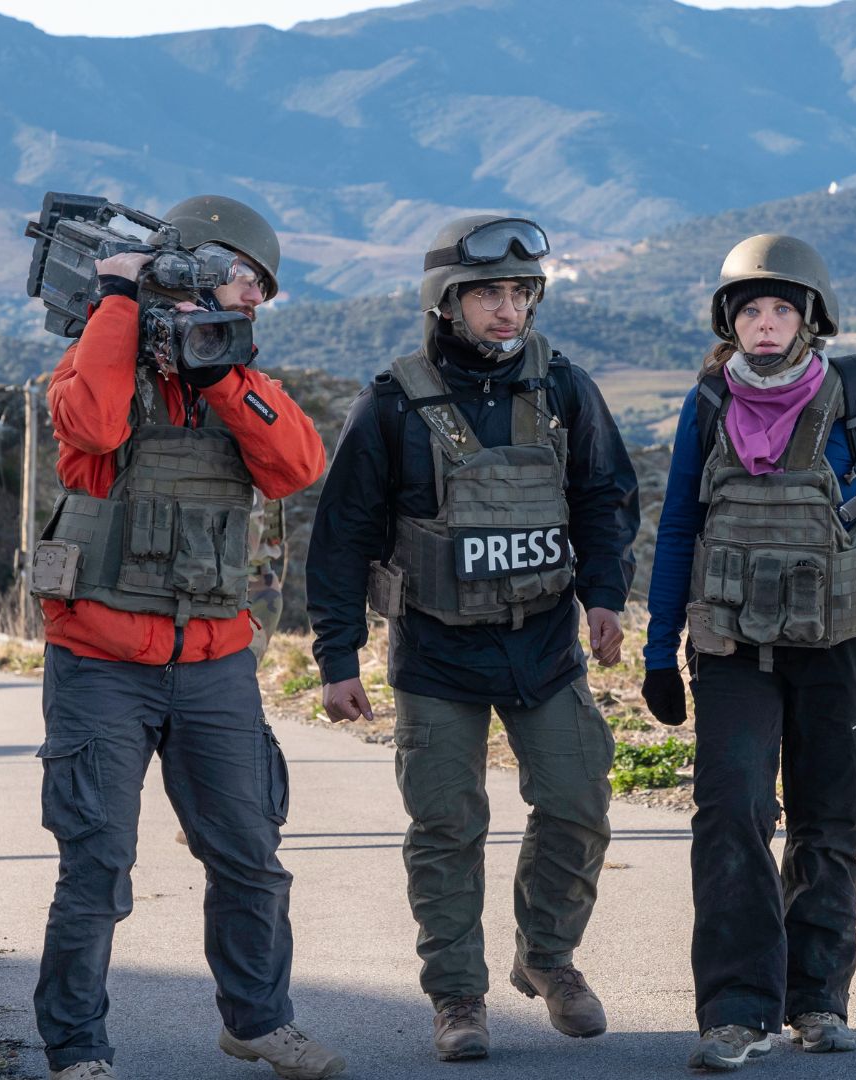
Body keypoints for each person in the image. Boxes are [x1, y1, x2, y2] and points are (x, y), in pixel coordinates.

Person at [305, 215, 641, 1062]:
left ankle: (549, 956)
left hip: (544, 645)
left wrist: (605, 599)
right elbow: (342, 533)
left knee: (577, 804)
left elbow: (605, 497)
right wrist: (337, 658)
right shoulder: (392, 403)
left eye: (521, 292)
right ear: (447, 302)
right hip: (434, 652)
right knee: (445, 825)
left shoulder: (564, 388)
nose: (508, 308)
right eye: (490, 292)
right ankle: (458, 995)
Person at [30, 195, 343, 1080]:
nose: (255, 301)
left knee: (250, 856)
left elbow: (297, 467)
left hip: (212, 662)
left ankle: (258, 1022)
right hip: (99, 663)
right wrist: (118, 300)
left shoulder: (238, 382)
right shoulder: (99, 362)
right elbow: (90, 427)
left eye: (262, 291)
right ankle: (78, 1049)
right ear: (199, 267)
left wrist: (222, 378)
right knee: (97, 864)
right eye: (248, 280)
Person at [641, 234, 856, 1071]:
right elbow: (678, 528)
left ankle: (816, 1000)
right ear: (729, 322)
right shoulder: (707, 404)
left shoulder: (854, 396)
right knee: (732, 812)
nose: (766, 323)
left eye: (782, 309)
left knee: (828, 819)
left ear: (811, 318)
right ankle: (736, 1012)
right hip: (734, 645)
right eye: (751, 311)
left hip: (843, 642)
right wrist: (659, 649)